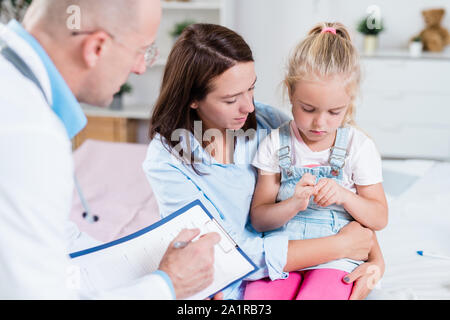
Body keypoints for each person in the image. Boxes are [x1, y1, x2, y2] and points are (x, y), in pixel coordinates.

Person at [0, 0, 220, 300]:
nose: (141, 68)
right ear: (97, 48)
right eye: (141, 51)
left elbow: (51, 236)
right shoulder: (29, 133)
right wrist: (169, 286)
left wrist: (141, 268)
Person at [143, 23, 378, 300]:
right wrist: (339, 246)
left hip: (296, 267)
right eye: (231, 100)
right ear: (193, 99)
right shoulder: (167, 160)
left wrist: (375, 259)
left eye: (251, 89)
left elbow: (349, 199)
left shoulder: (269, 124)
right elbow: (224, 254)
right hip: (236, 282)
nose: (249, 107)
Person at [243, 22, 388, 300]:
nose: (320, 123)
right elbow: (259, 219)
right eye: (307, 109)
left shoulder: (358, 147)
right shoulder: (275, 143)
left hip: (337, 257)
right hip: (285, 249)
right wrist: (292, 205)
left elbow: (379, 217)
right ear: (290, 93)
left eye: (335, 112)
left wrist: (346, 197)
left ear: (350, 102)